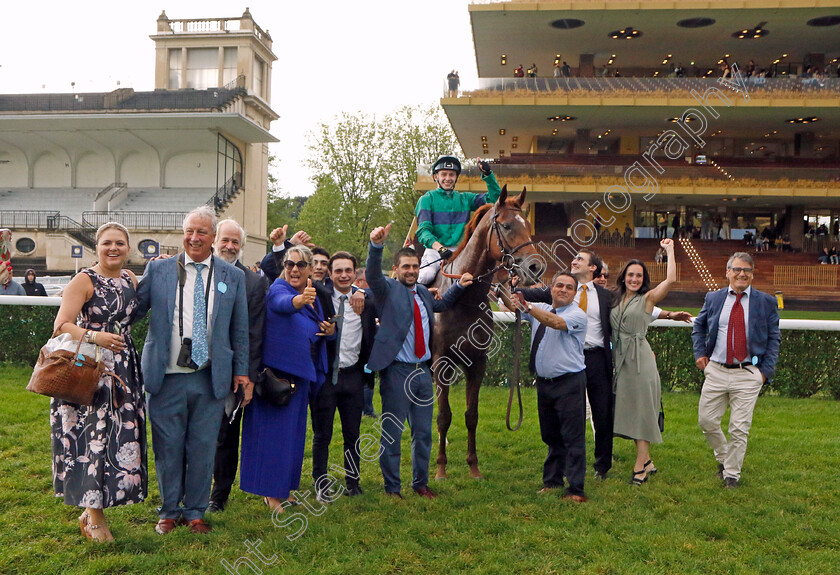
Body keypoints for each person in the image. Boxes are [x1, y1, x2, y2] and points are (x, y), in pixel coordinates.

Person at [136, 206, 249, 535]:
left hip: (209, 377)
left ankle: (196, 511)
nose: (194, 237)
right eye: (189, 231)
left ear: (213, 237)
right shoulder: (158, 271)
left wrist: (241, 371)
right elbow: (132, 309)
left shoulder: (233, 277)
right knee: (168, 447)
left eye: (202, 232)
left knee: (202, 448)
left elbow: (239, 331)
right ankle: (169, 510)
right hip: (165, 376)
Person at [50, 222, 146, 542]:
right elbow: (62, 325)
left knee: (117, 441)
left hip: (124, 370)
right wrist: (95, 336)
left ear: (128, 248)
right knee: (93, 439)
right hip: (89, 368)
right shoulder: (83, 280)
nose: (113, 248)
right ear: (97, 247)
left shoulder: (131, 279)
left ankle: (92, 508)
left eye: (119, 243)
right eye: (107, 243)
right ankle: (93, 516)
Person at [366, 223, 473, 499]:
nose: (411, 271)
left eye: (415, 266)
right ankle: (392, 488)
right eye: (406, 267)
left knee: (424, 433)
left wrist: (459, 285)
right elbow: (372, 275)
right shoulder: (387, 290)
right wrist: (375, 246)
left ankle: (420, 483)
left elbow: (443, 305)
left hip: (424, 374)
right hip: (397, 373)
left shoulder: (424, 292)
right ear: (397, 269)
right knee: (392, 434)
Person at [240, 245, 334, 512]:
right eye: (290, 264)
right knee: (272, 437)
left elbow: (316, 329)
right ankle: (271, 494)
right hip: (277, 378)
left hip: (301, 376)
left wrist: (328, 329)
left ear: (310, 270)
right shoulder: (279, 290)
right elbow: (282, 305)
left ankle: (285, 489)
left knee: (292, 439)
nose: (295, 269)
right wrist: (299, 301)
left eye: (301, 265)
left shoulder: (314, 294)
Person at [692, 252, 781, 488]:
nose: (742, 274)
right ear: (728, 272)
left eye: (747, 270)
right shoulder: (714, 298)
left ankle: (732, 475)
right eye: (737, 269)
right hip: (717, 370)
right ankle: (723, 457)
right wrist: (700, 354)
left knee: (739, 427)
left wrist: (764, 372)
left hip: (748, 373)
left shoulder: (766, 302)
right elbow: (699, 326)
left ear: (752, 274)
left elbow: (774, 338)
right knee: (706, 421)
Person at [501, 272, 588, 502]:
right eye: (559, 285)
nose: (563, 290)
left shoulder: (576, 315)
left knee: (573, 437)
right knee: (550, 435)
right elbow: (507, 304)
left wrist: (527, 308)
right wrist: (509, 287)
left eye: (569, 287)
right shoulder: (540, 307)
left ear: (574, 293)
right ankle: (552, 480)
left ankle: (576, 489)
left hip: (569, 382)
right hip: (545, 384)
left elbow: (555, 323)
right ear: (551, 289)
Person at [207, 219, 268, 513]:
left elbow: (255, 335)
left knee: (225, 436)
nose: (230, 246)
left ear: (242, 247)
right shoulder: (195, 274)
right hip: (193, 369)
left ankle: (219, 495)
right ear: (214, 241)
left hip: (232, 374)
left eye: (235, 242)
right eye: (225, 240)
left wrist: (249, 377)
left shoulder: (254, 283)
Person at [311, 251, 377, 502]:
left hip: (353, 377)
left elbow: (382, 291)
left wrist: (363, 293)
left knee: (353, 434)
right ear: (330, 274)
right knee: (322, 435)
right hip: (326, 376)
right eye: (338, 270)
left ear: (355, 273)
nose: (343, 275)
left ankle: (353, 481)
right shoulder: (320, 297)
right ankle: (321, 483)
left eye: (348, 270)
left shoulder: (365, 302)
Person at [611, 239, 677, 485]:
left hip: (640, 361)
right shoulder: (614, 299)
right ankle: (647, 459)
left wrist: (669, 250)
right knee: (630, 411)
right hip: (620, 361)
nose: (634, 279)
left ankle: (640, 467)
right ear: (624, 277)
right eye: (630, 275)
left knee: (642, 412)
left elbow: (670, 280)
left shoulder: (648, 298)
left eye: (639, 275)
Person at [415, 155, 501, 285]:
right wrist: (440, 248)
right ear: (435, 177)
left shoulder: (465, 198)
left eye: (451, 175)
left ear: (456, 177)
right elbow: (423, 232)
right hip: (435, 252)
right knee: (426, 276)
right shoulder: (426, 199)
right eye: (444, 174)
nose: (448, 178)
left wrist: (488, 175)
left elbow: (495, 199)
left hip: (461, 252)